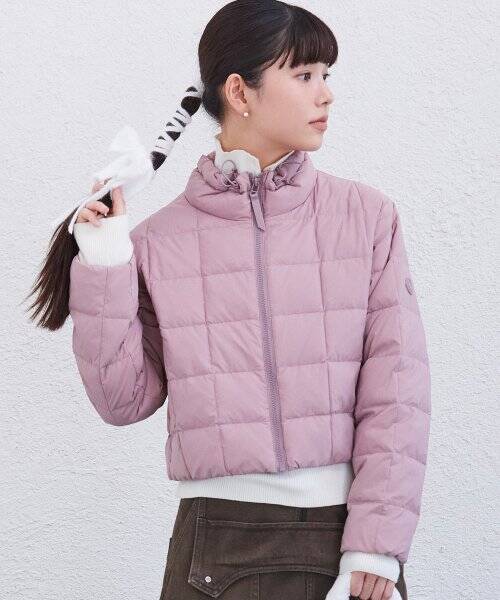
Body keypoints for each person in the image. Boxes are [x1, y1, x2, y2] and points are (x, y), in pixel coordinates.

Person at [30, 2, 431, 599]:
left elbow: (397, 391)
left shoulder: (366, 218)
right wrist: (107, 258)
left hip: (346, 544)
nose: (325, 94)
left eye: (326, 75)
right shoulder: (159, 242)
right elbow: (122, 400)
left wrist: (376, 545)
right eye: (304, 75)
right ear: (240, 92)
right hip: (214, 548)